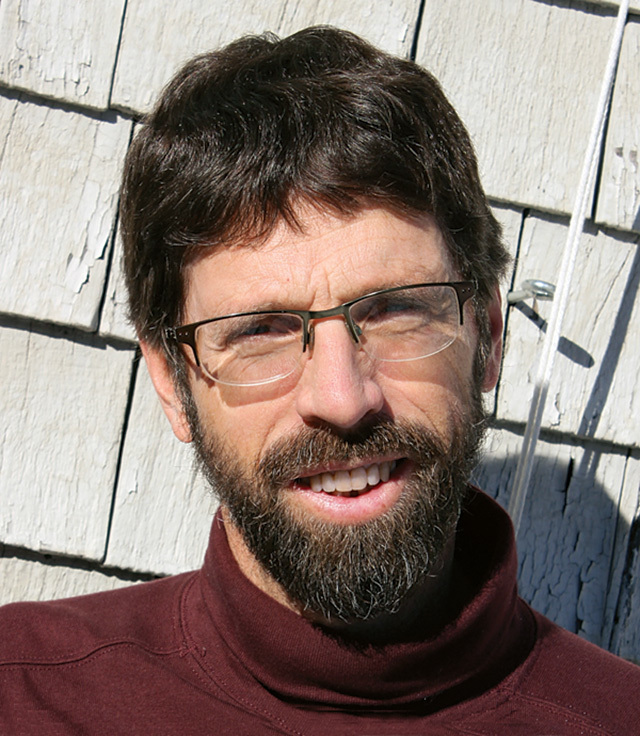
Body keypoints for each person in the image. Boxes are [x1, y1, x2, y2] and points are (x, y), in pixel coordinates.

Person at [1, 26, 638, 735]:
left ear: (487, 336)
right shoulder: (23, 696)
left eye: (395, 310)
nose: (342, 399)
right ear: (172, 384)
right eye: (259, 331)